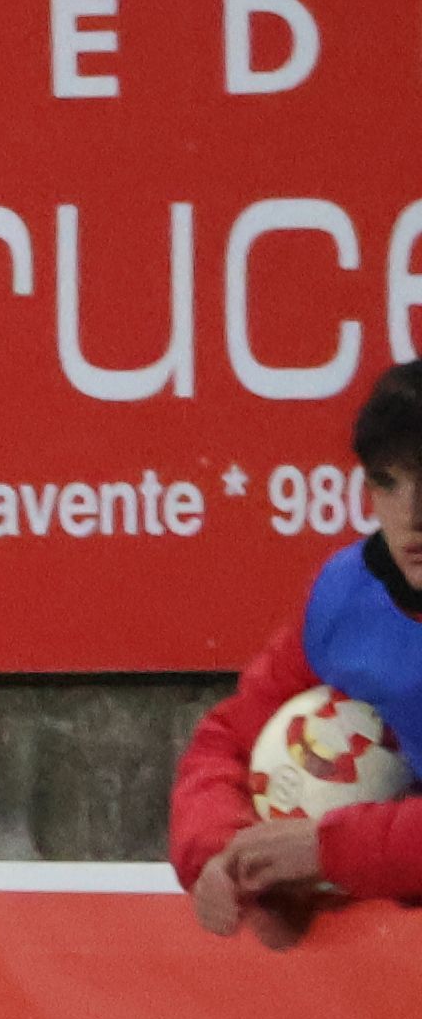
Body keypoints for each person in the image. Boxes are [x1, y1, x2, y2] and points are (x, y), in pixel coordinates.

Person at [172, 358, 422, 944]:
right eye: (388, 482)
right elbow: (225, 742)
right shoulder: (346, 598)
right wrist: (226, 853)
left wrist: (327, 850)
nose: (413, 515)